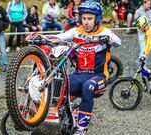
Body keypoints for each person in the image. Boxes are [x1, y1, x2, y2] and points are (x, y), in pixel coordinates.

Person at [49, 1, 121, 134]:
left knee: (88, 86)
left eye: (90, 19)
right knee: (58, 82)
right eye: (84, 18)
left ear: (97, 19)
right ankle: (57, 113)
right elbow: (59, 37)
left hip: (98, 77)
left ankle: (82, 129)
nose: (86, 22)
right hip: (79, 75)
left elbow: (118, 42)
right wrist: (42, 37)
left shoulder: (104, 31)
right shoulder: (76, 31)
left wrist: (108, 38)